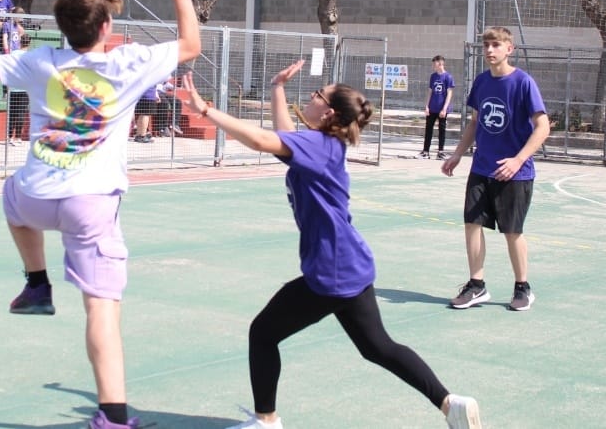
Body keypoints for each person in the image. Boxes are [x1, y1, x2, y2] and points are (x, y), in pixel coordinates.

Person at [0, 0, 200, 429]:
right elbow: (190, 46)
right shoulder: (128, 62)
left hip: (36, 195)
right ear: (106, 28)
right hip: (91, 203)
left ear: (64, 27)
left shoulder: (39, 61)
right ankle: (113, 418)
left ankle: (36, 283)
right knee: (101, 309)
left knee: (11, 195)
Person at [181, 61, 482, 429]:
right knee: (377, 347)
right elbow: (283, 138)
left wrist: (207, 110)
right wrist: (277, 87)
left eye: (317, 94)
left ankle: (266, 421)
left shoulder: (319, 145)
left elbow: (263, 140)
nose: (311, 96)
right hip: (349, 262)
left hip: (332, 270)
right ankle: (450, 403)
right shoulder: (324, 144)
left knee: (262, 333)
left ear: (329, 111)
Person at [442, 26, 549, 312]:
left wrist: (517, 160)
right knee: (472, 225)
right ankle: (477, 285)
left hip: (515, 172)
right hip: (482, 168)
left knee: (512, 231)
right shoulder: (481, 82)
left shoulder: (523, 83)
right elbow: (476, 123)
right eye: (486, 45)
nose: (489, 50)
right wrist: (457, 155)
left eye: (496, 45)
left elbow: (543, 127)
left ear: (509, 49)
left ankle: (523, 288)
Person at [417, 55, 455, 160]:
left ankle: (440, 152)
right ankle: (425, 152)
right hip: (432, 107)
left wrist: (444, 109)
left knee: (441, 130)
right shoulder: (433, 76)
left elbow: (449, 94)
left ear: (440, 64)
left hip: (442, 109)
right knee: (428, 129)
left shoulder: (448, 77)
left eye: (435, 63)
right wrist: (427, 106)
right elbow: (430, 92)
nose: (433, 65)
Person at [7, 34, 32, 146]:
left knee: (12, 113)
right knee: (21, 113)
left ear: (20, 42)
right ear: (29, 43)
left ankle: (9, 138)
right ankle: (17, 138)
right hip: (24, 88)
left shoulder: (13, 53)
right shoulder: (30, 56)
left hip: (13, 87)